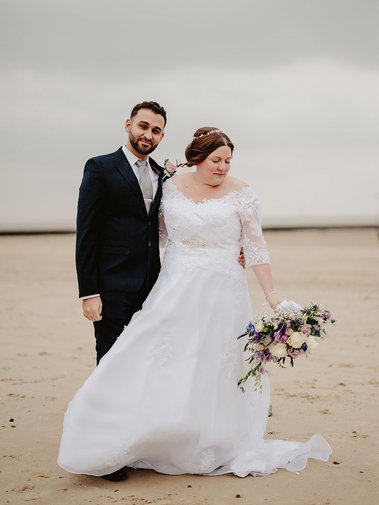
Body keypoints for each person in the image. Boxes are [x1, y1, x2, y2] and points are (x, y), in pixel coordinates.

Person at [59, 127, 331, 481]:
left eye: (228, 161)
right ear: (197, 159)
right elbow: (153, 236)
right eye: (216, 160)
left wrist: (271, 294)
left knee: (214, 365)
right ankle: (135, 429)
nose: (222, 168)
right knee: (158, 355)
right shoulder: (169, 186)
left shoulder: (243, 194)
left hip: (224, 290)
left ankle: (211, 438)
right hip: (174, 285)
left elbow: (256, 246)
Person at [76, 101, 170, 364]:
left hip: (152, 287)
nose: (148, 135)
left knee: (144, 359)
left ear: (162, 136)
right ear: (128, 125)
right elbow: (86, 233)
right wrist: (89, 293)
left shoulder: (161, 175)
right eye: (143, 126)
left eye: (156, 130)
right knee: (110, 359)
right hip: (111, 287)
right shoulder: (100, 167)